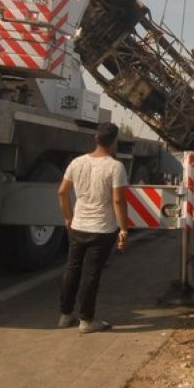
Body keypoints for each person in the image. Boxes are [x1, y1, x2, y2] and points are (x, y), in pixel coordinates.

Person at [57, 122, 128, 333]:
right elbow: (118, 201)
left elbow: (62, 192)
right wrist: (123, 229)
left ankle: (65, 315)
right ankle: (87, 320)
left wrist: (68, 217)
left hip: (78, 226)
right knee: (91, 274)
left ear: (96, 139)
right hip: (102, 229)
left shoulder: (76, 163)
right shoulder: (115, 167)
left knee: (72, 269)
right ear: (114, 142)